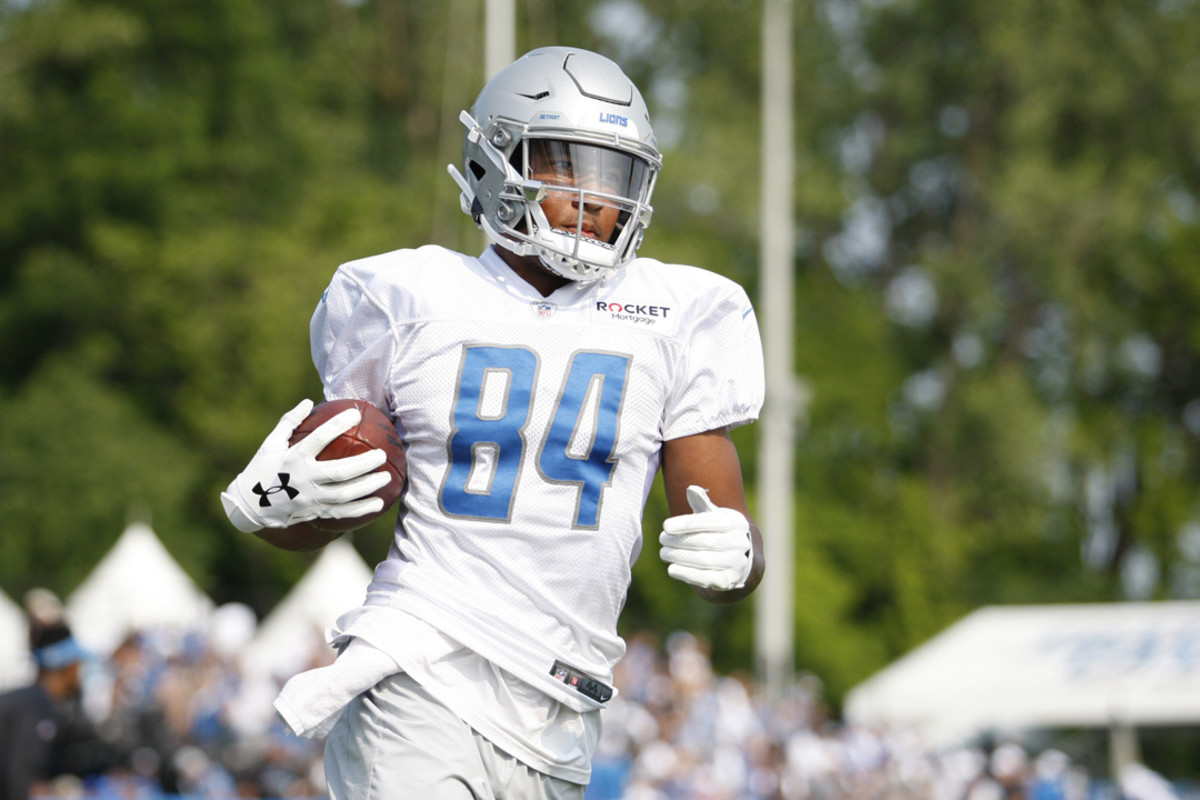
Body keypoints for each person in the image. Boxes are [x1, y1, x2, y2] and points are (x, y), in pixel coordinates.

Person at [220, 46, 765, 799]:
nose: (593, 198)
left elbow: (725, 545)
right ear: (495, 158)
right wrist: (271, 511)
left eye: (614, 175)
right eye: (567, 165)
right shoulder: (404, 295)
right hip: (421, 664)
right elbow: (341, 500)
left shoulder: (680, 313)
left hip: (565, 700)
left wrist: (741, 554)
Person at [0, 608, 111, 800]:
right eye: (78, 663)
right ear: (67, 664)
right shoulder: (35, 707)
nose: (81, 670)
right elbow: (20, 781)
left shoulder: (36, 702)